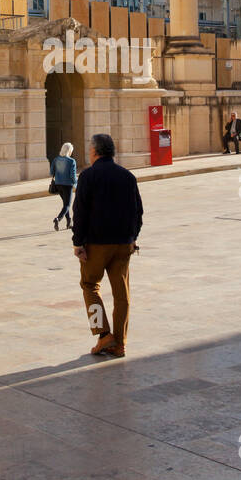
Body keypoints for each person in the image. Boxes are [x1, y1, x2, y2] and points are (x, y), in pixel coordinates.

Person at [71, 133, 143, 358]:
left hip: (96, 245)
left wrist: (78, 243)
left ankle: (103, 335)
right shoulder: (127, 177)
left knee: (89, 285)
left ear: (94, 152)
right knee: (122, 294)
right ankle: (120, 343)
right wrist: (133, 237)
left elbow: (79, 212)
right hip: (123, 244)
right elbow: (138, 212)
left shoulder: (88, 176)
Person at [50, 142, 78, 231]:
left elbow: (51, 172)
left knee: (65, 205)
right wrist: (76, 184)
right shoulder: (71, 161)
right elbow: (73, 175)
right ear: (69, 151)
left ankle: (69, 223)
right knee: (67, 205)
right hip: (67, 185)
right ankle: (58, 218)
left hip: (58, 184)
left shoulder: (56, 160)